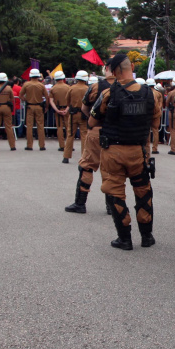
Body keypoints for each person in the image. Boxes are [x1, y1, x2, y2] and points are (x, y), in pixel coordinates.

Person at [88, 54, 160, 249]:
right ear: (131, 67)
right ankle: (147, 237)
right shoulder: (150, 94)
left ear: (114, 71)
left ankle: (125, 239)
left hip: (113, 151)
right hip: (139, 151)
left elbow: (91, 121)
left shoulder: (108, 94)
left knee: (116, 193)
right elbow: (155, 123)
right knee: (143, 192)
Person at [64, 64, 116, 215]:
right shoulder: (127, 88)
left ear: (107, 69)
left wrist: (95, 120)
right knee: (110, 169)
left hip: (97, 131)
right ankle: (111, 206)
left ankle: (80, 203)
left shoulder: (96, 86)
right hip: (117, 134)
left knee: (87, 166)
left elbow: (85, 108)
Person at [20, 68, 50, 150]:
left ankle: (29, 145)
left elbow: (20, 95)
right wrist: (46, 107)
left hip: (30, 106)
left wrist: (26, 100)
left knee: (29, 126)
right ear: (38, 76)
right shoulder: (41, 85)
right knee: (40, 126)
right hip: (39, 107)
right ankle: (42, 145)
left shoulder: (26, 84)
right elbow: (47, 97)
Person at [49, 70, 72, 160]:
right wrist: (67, 109)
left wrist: (57, 110)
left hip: (58, 109)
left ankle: (62, 145)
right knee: (68, 128)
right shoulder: (68, 87)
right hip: (67, 109)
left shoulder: (53, 88)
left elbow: (51, 100)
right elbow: (71, 100)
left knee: (59, 127)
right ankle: (69, 146)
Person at [67, 70, 90, 157]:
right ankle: (84, 156)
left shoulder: (72, 88)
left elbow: (67, 101)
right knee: (84, 135)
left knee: (70, 135)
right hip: (83, 114)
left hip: (73, 114)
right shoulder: (87, 89)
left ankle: (66, 156)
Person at [145, 78, 162, 154]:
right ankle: (155, 148)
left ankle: (147, 147)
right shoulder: (158, 93)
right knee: (155, 130)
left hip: (147, 114)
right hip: (157, 114)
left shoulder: (145, 93)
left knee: (147, 131)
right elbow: (161, 104)